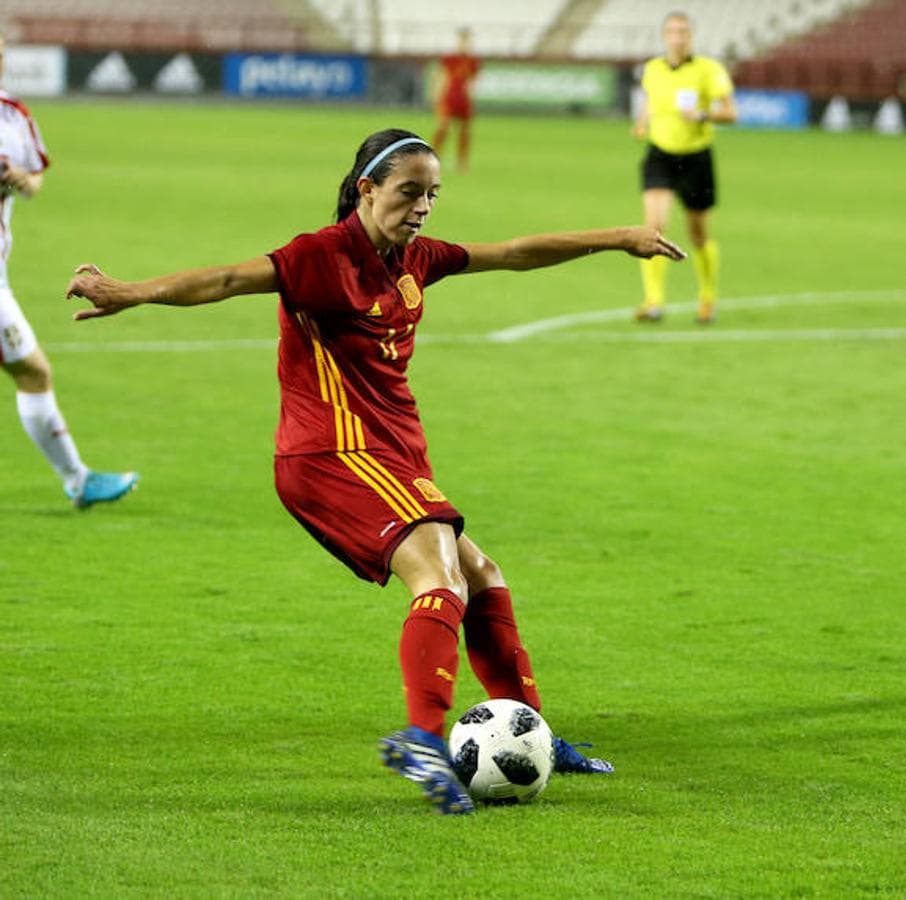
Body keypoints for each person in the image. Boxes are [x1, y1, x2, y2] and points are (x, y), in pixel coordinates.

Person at [66, 129, 685, 814]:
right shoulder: (321, 256)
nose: (423, 207)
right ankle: (423, 739)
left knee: (483, 578)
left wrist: (620, 235)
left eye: (433, 195)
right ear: (366, 189)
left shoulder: (416, 258)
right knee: (441, 576)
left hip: (388, 451)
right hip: (331, 450)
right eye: (409, 192)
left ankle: (530, 729)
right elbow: (224, 279)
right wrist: (130, 292)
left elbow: (513, 253)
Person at [0, 31, 136, 509]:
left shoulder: (14, 116)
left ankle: (79, 480)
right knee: (34, 372)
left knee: (32, 372)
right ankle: (78, 479)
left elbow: (33, 182)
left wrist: (21, 180)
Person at [632, 11, 737, 324]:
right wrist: (641, 123)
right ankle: (654, 302)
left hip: (696, 158)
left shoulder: (709, 70)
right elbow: (651, 100)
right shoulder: (653, 69)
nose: (677, 37)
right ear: (664, 36)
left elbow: (731, 112)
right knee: (653, 227)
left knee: (698, 234)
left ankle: (707, 298)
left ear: (691, 36)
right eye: (672, 31)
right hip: (660, 155)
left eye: (683, 32)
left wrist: (703, 115)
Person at [431, 28, 480, 173]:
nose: (464, 44)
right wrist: (437, 96)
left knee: (465, 131)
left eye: (466, 41)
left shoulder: (472, 61)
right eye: (462, 41)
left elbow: (473, 82)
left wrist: (471, 98)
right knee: (443, 128)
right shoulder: (449, 59)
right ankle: (433, 158)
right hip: (449, 98)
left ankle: (462, 162)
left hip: (464, 100)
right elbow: (441, 77)